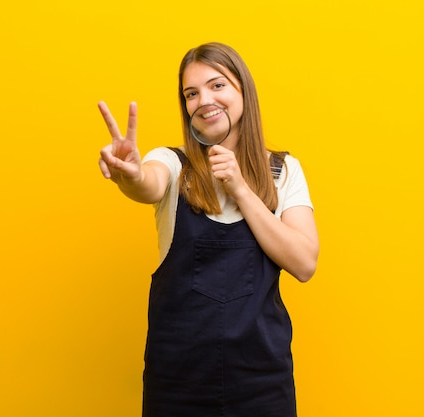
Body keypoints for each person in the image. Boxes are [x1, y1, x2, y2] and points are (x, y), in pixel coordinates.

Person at [97, 42, 319, 417]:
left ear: (242, 91)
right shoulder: (171, 163)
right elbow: (147, 183)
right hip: (178, 385)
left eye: (217, 85)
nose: (203, 100)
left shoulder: (284, 171)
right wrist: (129, 177)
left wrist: (240, 188)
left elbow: (304, 263)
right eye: (191, 93)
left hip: (262, 384)